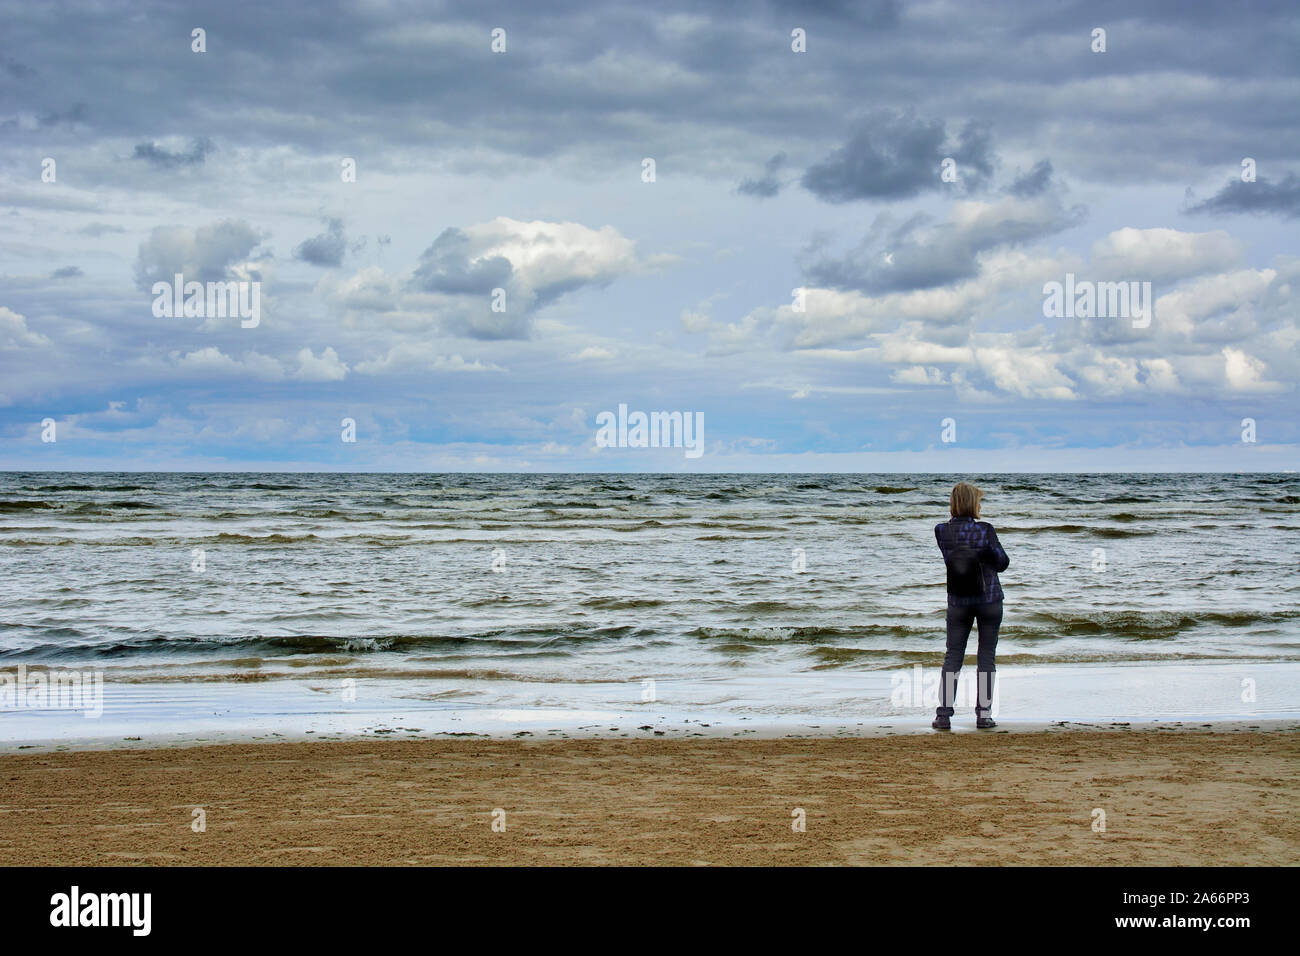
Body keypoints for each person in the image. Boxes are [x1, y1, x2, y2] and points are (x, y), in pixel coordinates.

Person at [932, 481, 1009, 730]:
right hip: (989, 599)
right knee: (986, 656)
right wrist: (985, 552)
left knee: (953, 655)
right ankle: (983, 714)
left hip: (958, 600)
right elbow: (1002, 563)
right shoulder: (985, 530)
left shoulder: (941, 530)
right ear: (973, 503)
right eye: (978, 500)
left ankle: (943, 715)